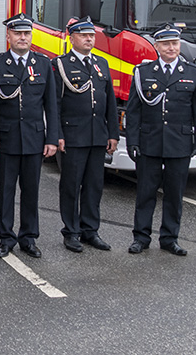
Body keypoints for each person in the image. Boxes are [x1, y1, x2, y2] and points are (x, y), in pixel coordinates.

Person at [127, 23, 196, 256]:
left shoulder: (193, 73)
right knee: (145, 193)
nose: (171, 48)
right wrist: (133, 140)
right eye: (165, 44)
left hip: (179, 144)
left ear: (179, 45)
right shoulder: (143, 72)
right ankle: (140, 237)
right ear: (156, 46)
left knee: (174, 194)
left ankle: (169, 238)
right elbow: (134, 111)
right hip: (150, 142)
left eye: (174, 43)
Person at [0, 13, 58, 259]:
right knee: (6, 191)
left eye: (26, 33)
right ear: (8, 36)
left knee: (31, 191)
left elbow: (51, 105)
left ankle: (29, 238)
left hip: (34, 139)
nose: (22, 37)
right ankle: (6, 237)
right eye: (17, 33)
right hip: (7, 140)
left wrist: (52, 138)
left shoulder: (43, 64)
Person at [53, 16, 119, 253]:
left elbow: (109, 101)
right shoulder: (61, 64)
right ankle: (71, 232)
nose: (89, 39)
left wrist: (113, 133)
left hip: (97, 136)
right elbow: (55, 105)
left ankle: (90, 229)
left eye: (91, 35)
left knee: (94, 185)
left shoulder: (101, 63)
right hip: (73, 136)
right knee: (71, 186)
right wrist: (57, 134)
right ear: (73, 38)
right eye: (84, 35)